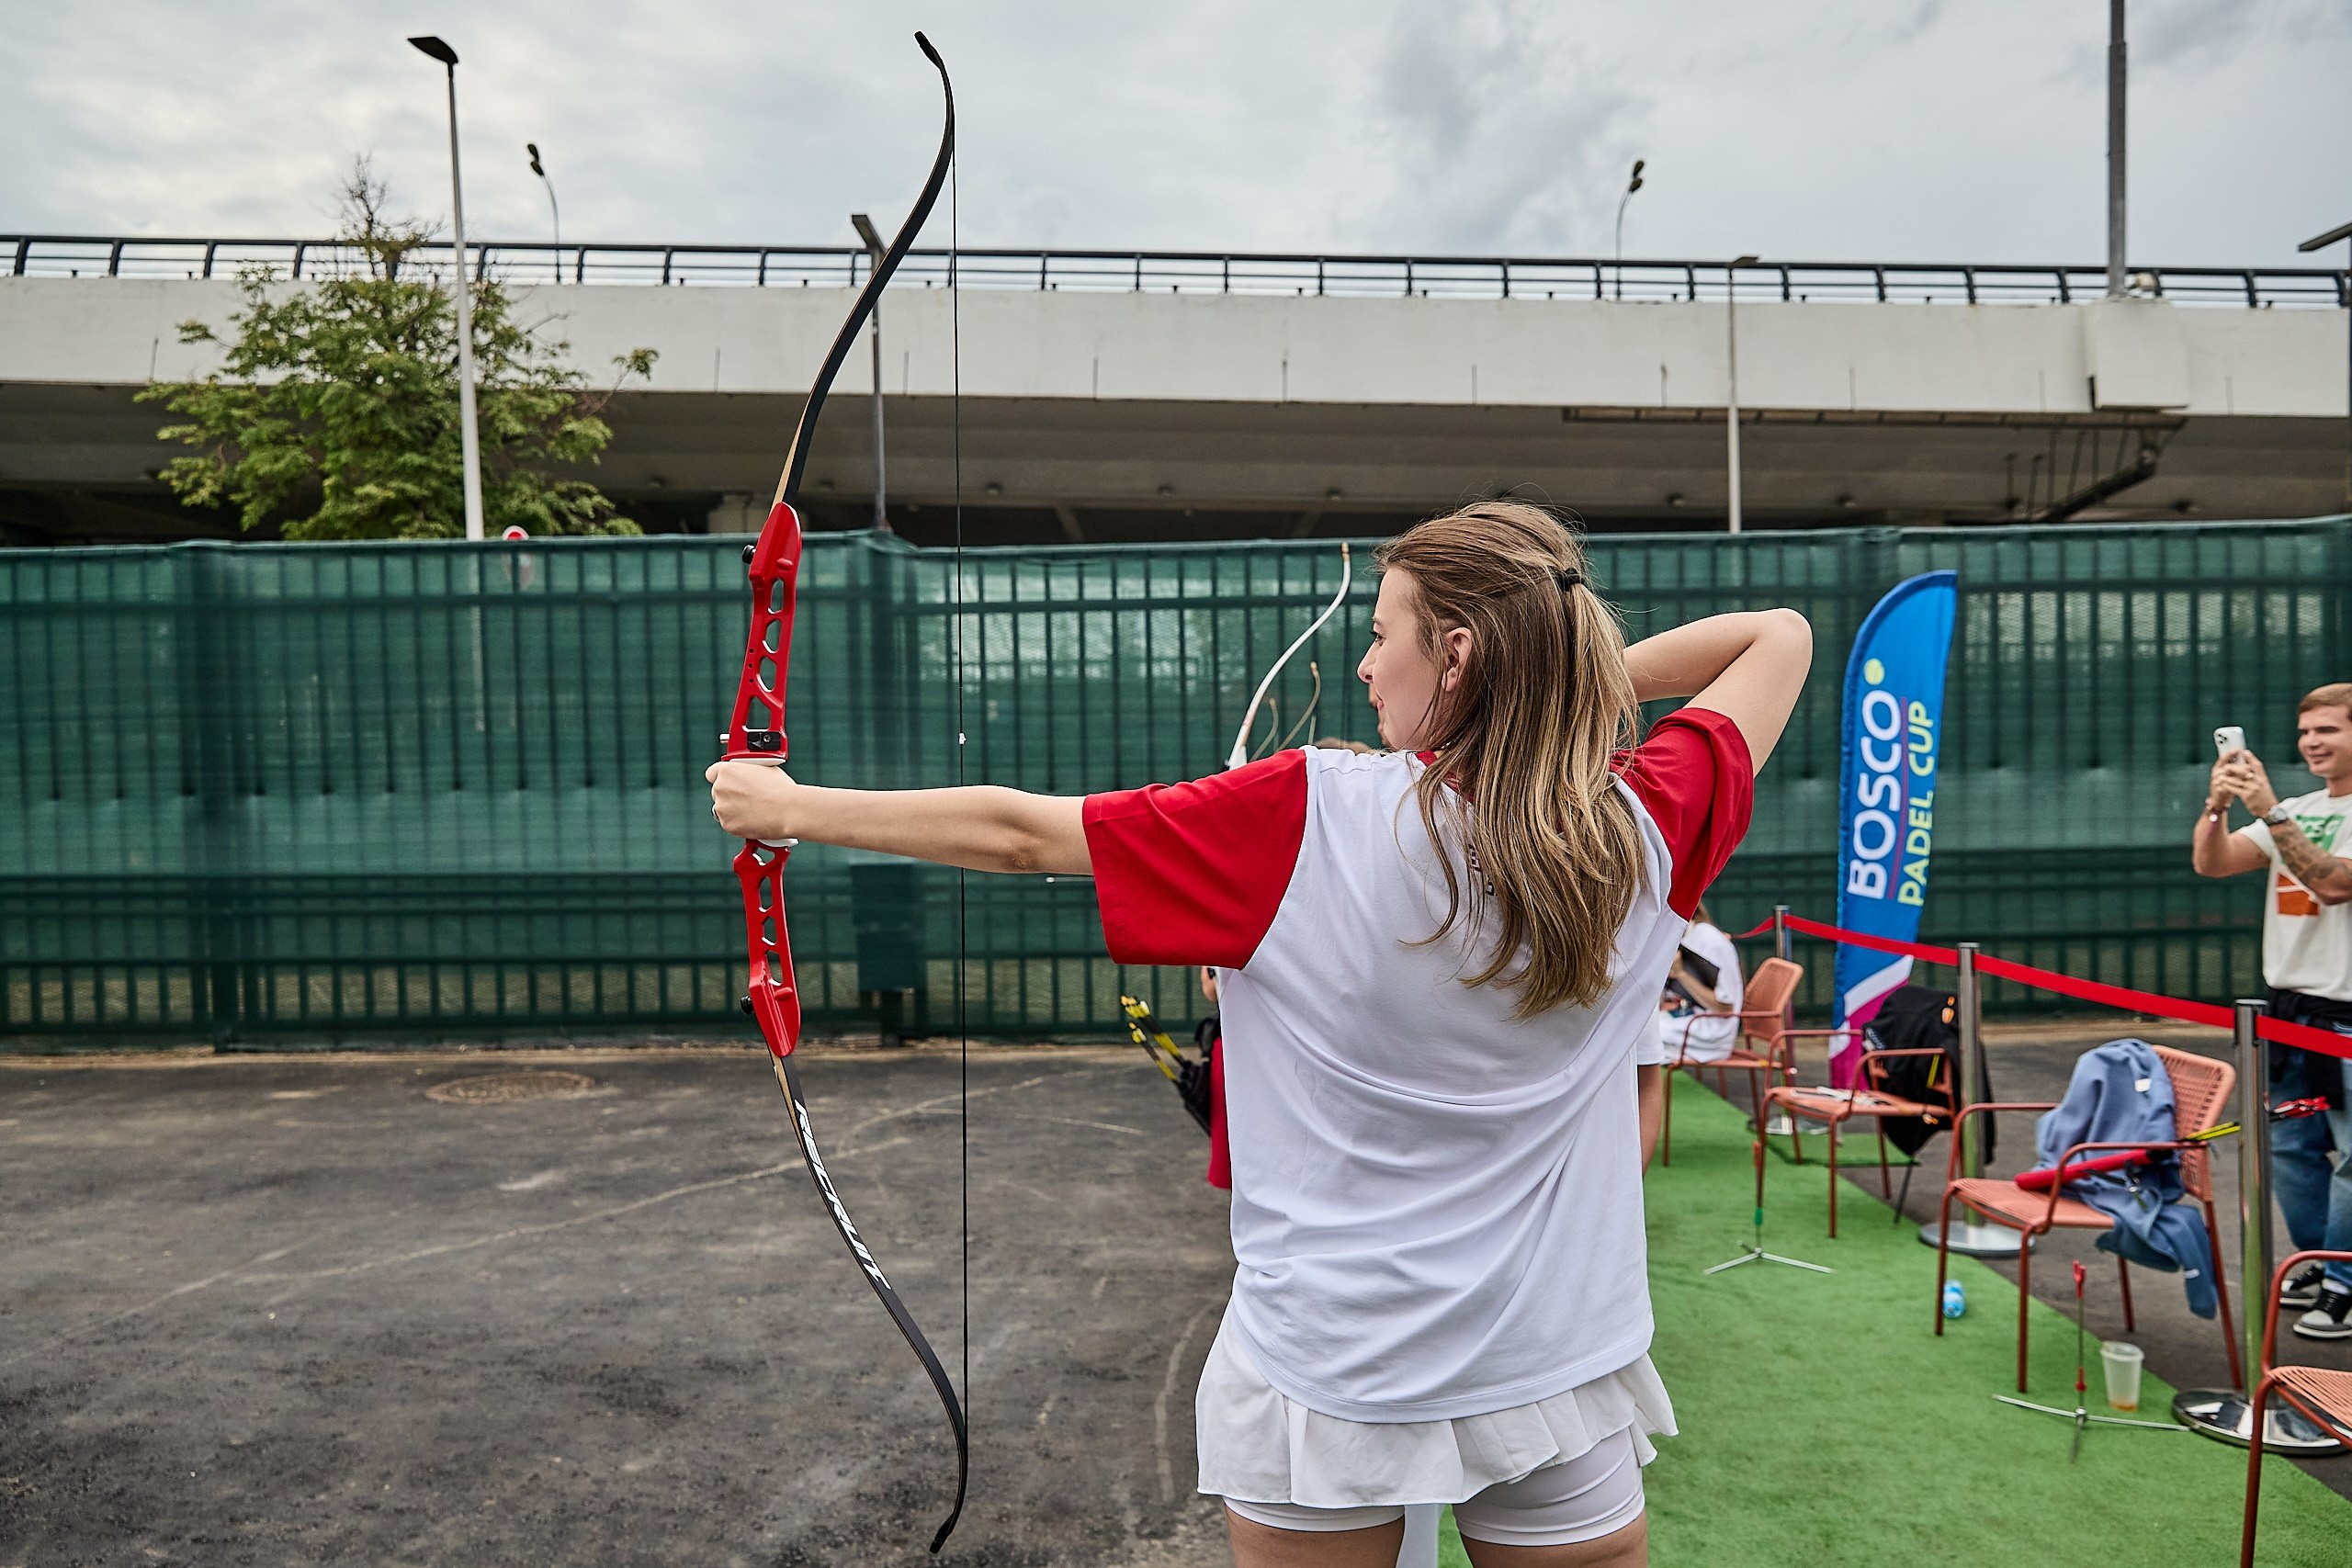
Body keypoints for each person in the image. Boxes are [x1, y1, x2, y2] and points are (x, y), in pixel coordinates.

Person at [710, 501, 1812, 1567]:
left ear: (1462, 657)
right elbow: (1779, 635)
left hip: (1336, 1371)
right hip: (1554, 1364)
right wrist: (1550, 695)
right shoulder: (1642, 822)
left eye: (1384, 638)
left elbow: (1018, 837)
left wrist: (789, 808)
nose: (1370, 666)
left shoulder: (1305, 815)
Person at [2192, 684, 2352, 1339]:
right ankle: (2318, 1262)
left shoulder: (2293, 811)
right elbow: (2215, 861)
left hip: (2348, 1010)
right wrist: (2218, 804)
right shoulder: (2302, 806)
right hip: (2288, 1009)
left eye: (2328, 730)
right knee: (2290, 1145)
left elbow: (2334, 882)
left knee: (2350, 1154)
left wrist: (2270, 809)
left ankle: (2344, 1279)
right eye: (2305, 731)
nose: (2312, 742)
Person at [1653, 900, 1745, 1066]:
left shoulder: (1708, 940)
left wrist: (1681, 974)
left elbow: (1725, 1008)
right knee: (1641, 1028)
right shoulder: (1680, 935)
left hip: (1712, 1033)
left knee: (1642, 1034)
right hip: (1689, 1018)